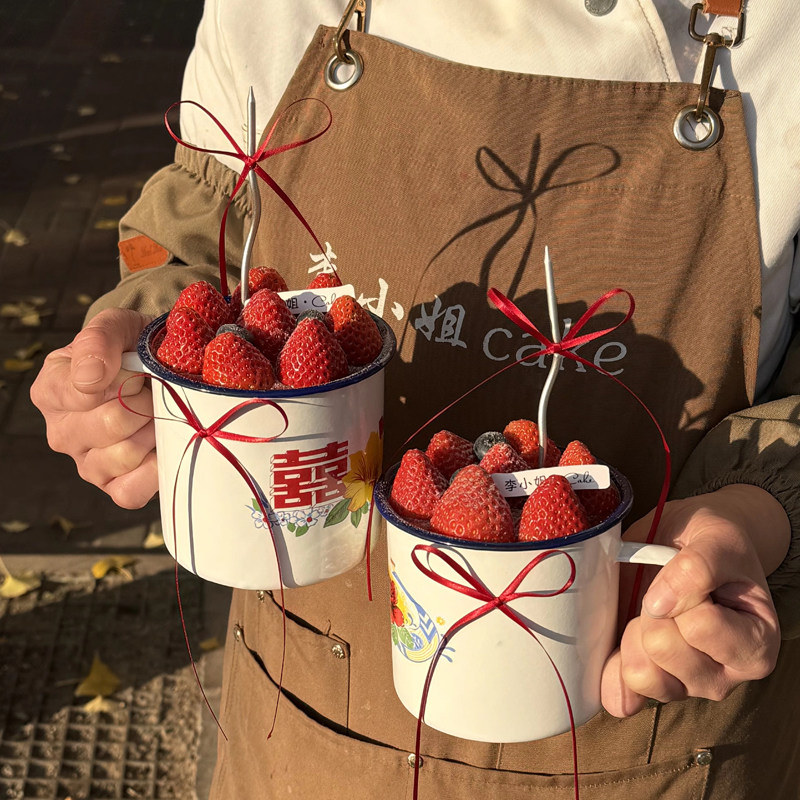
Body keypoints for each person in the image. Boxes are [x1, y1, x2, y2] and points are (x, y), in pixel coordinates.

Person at [30, 1, 800, 797]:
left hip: (653, 747)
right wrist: (137, 365)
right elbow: (201, 227)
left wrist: (757, 513)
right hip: (308, 731)